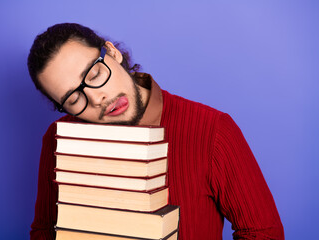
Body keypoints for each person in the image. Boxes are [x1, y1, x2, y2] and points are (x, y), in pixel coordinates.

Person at [27, 23, 284, 239]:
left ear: (112, 53)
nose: (97, 99)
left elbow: (263, 233)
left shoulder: (213, 129)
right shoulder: (59, 138)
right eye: (73, 99)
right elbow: (45, 231)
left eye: (94, 74)